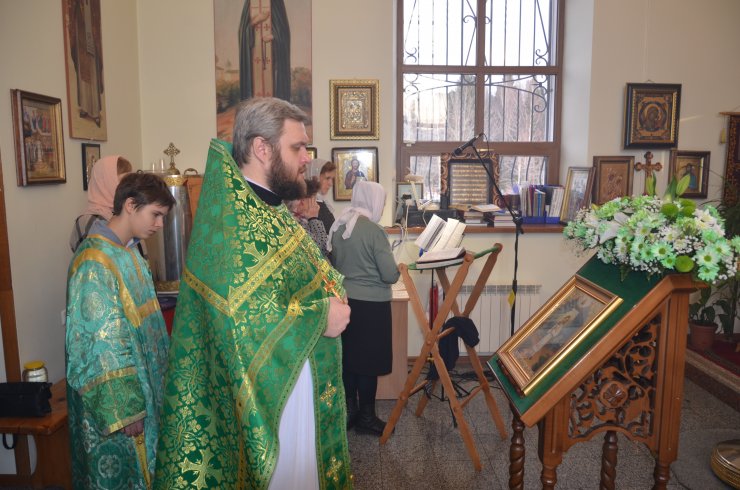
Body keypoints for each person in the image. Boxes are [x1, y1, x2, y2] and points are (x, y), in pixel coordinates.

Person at [154, 97, 353, 489]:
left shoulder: (272, 211)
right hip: (270, 408)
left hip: (296, 392)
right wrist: (320, 317)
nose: (307, 158)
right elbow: (237, 320)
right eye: (298, 147)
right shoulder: (232, 224)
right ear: (262, 148)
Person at [65, 172, 176, 489]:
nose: (160, 225)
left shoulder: (129, 252)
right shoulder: (94, 262)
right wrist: (124, 409)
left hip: (145, 391)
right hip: (120, 410)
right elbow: (99, 343)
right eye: (155, 214)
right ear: (130, 205)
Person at [327, 181, 400, 435]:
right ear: (374, 201)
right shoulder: (374, 231)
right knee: (368, 364)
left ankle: (350, 412)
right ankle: (367, 418)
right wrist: (399, 268)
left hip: (345, 303)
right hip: (372, 307)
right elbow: (389, 274)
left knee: (350, 361)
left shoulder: (340, 226)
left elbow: (335, 264)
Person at [69, 155, 132, 252]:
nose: (130, 186)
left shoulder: (121, 211)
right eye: (124, 181)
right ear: (107, 182)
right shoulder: (91, 221)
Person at [239, 0, 291, 100]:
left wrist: (274, 36)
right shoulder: (249, 2)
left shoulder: (276, 2)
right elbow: (242, 31)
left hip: (273, 53)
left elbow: (284, 31)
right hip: (254, 55)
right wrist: (256, 20)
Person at [286, 177, 330, 258]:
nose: (316, 205)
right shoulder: (295, 223)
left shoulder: (302, 220)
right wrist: (313, 218)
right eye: (314, 200)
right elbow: (322, 249)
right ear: (302, 201)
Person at [316, 160, 337, 233]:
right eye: (327, 178)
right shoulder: (308, 204)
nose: (331, 184)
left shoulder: (321, 201)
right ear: (315, 177)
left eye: (332, 179)